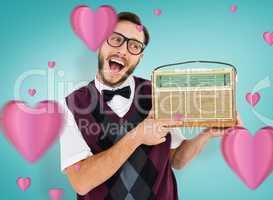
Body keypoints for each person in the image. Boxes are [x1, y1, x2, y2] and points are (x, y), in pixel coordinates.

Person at [60, 11, 241, 200]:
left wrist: (208, 133)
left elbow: (175, 159)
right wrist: (137, 136)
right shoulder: (72, 105)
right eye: (116, 39)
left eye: (134, 46)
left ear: (140, 57)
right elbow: (81, 182)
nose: (123, 50)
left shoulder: (159, 93)